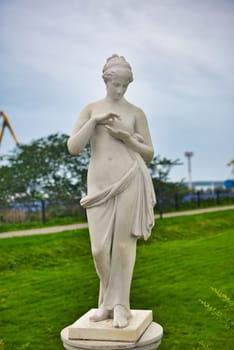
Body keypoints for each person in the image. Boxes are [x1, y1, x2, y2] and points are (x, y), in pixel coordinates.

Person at [67, 54, 156, 328]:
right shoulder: (91, 109)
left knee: (122, 246)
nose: (120, 90)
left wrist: (126, 138)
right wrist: (94, 122)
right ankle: (108, 300)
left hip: (130, 178)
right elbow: (73, 147)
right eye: (117, 84)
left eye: (125, 85)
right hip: (99, 185)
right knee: (98, 250)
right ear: (106, 80)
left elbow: (149, 153)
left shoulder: (136, 113)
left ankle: (119, 304)